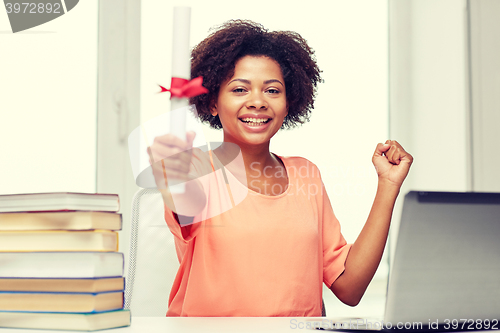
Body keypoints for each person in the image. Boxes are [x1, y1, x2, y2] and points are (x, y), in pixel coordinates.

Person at [148, 20, 413, 317]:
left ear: (289, 103)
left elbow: (350, 287)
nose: (258, 102)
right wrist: (174, 177)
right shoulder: (195, 171)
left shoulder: (305, 174)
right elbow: (185, 200)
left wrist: (388, 186)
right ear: (212, 103)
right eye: (239, 89)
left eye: (272, 91)